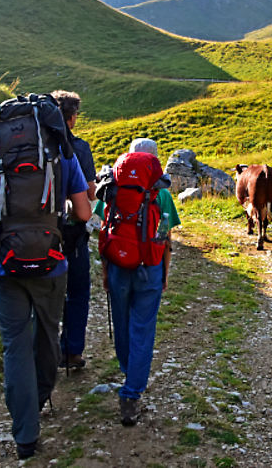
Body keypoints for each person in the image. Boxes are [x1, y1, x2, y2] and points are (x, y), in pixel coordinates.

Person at [0, 118, 91, 461]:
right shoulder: (64, 156)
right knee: (47, 336)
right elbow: (85, 211)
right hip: (52, 264)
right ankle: (41, 395)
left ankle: (25, 434)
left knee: (14, 345)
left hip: (6, 266)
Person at [104, 137, 180, 426]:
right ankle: (132, 393)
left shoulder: (115, 184)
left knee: (122, 323)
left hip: (118, 265)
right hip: (149, 265)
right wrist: (164, 273)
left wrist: (105, 273)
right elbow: (166, 238)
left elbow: (107, 228)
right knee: (143, 328)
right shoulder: (161, 192)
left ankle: (128, 370)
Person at [51, 90, 98, 371]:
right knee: (78, 290)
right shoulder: (78, 148)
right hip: (72, 232)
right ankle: (71, 351)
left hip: (37, 231)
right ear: (72, 118)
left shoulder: (34, 146)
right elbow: (90, 192)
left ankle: (43, 351)